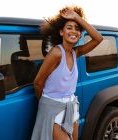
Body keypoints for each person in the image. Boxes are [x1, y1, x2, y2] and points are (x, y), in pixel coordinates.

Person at [32, 6, 103, 140]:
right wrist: (46, 105)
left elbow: (98, 39)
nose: (73, 31)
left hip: (71, 107)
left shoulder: (75, 52)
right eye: (69, 27)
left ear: (80, 34)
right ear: (61, 32)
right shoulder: (56, 53)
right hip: (53, 109)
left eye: (77, 28)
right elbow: (38, 82)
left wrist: (76, 17)